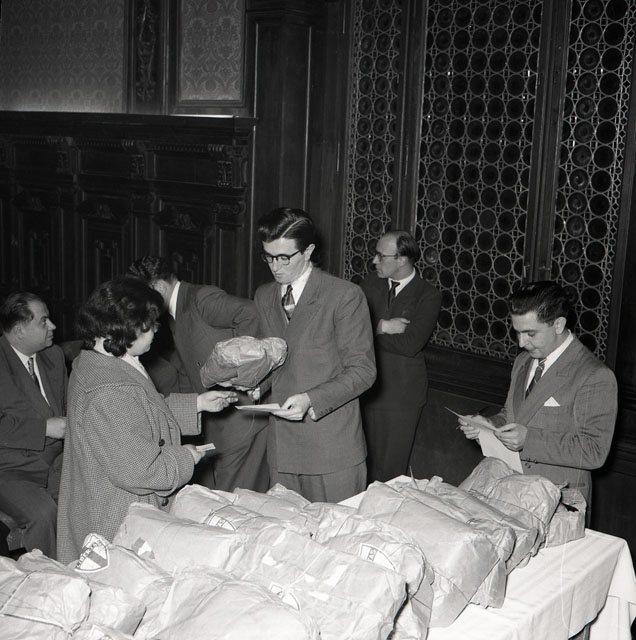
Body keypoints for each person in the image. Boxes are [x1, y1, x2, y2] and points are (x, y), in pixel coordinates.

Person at [56, 277, 237, 563]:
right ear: (127, 327)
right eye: (150, 324)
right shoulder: (109, 391)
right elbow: (141, 471)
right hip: (119, 519)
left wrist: (197, 404)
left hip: (107, 500)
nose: (156, 330)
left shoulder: (99, 359)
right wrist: (186, 458)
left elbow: (139, 412)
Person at [459, 281, 617, 515]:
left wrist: (528, 441)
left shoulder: (594, 375)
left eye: (530, 333)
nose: (521, 343)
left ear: (558, 324)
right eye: (517, 332)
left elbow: (594, 451)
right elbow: (512, 415)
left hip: (556, 502)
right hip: (511, 490)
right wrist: (488, 425)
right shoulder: (523, 361)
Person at [253, 207, 376, 503]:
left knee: (336, 530)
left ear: (308, 251)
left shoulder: (343, 296)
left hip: (330, 448)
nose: (275, 267)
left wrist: (310, 399)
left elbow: (363, 371)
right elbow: (274, 360)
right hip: (283, 449)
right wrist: (253, 385)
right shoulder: (264, 295)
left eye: (284, 257)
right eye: (268, 257)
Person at [128, 256, 269, 493]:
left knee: (234, 497)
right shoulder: (173, 314)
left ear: (159, 287)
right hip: (217, 422)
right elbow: (187, 371)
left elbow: (252, 314)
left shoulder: (202, 298)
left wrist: (240, 367)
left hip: (243, 420)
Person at [360, 230, 441, 483]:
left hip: (401, 397)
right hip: (364, 389)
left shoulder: (428, 295)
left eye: (381, 256)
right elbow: (348, 328)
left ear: (402, 259)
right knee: (362, 467)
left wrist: (367, 332)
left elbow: (409, 344)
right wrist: (383, 326)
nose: (374, 261)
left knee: (390, 473)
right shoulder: (369, 284)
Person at [0, 292, 67, 559]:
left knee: (94, 491)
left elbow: (68, 406)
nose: (53, 326)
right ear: (19, 331)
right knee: (44, 515)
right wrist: (44, 429)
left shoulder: (54, 356)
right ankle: (51, 576)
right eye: (44, 321)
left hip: (56, 461)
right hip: (10, 469)